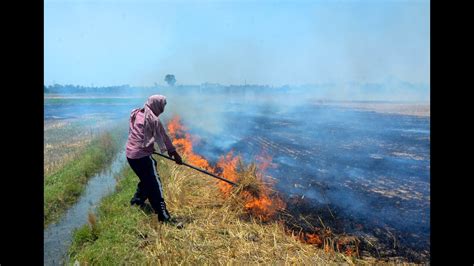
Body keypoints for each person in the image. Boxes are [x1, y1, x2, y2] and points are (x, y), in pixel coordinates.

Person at [126, 94, 183, 222]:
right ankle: (163, 215)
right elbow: (164, 137)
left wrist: (146, 145)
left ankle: (137, 199)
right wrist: (175, 154)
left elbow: (137, 133)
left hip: (130, 155)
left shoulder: (137, 113)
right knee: (155, 185)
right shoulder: (154, 120)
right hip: (141, 156)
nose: (163, 109)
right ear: (156, 105)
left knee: (147, 177)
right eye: (162, 106)